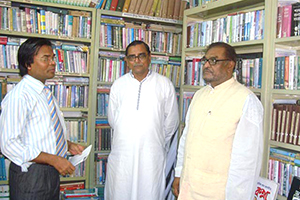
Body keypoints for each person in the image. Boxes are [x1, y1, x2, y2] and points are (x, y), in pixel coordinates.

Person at [172, 42, 264, 200]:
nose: (207, 65)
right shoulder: (199, 95)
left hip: (219, 192)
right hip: (190, 186)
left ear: (230, 65)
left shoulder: (246, 100)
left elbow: (247, 161)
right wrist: (179, 173)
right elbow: (186, 138)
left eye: (213, 60)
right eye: (205, 60)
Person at [0, 38, 85, 200]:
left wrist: (68, 145)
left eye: (53, 58)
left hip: (50, 171)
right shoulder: (19, 96)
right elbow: (8, 144)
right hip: (31, 176)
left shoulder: (45, 93)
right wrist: (53, 159)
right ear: (28, 64)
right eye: (45, 59)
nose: (52, 63)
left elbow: (41, 132)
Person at [105, 40, 179, 200]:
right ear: (126, 61)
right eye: (132, 57)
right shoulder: (118, 85)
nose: (136, 60)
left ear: (149, 57)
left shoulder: (164, 84)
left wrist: (152, 140)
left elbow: (171, 124)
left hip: (152, 155)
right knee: (120, 191)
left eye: (141, 56)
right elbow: (113, 120)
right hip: (123, 154)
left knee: (150, 192)